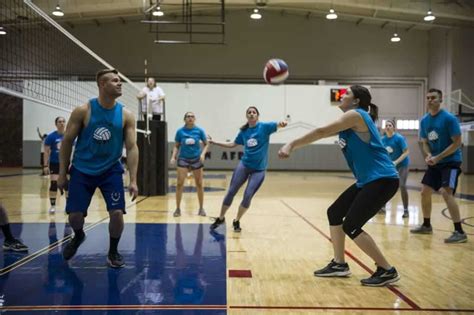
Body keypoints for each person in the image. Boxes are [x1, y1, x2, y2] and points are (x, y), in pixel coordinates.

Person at [279, 85, 400, 287]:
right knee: (335, 212)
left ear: (356, 101)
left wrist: (291, 144)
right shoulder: (350, 120)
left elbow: (321, 131)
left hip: (382, 179)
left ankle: (387, 270)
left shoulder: (356, 115)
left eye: (348, 94)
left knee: (351, 225)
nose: (342, 96)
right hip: (368, 180)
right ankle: (339, 264)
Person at [58, 68, 139, 268]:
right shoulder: (83, 111)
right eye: (114, 81)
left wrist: (134, 180)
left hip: (111, 170)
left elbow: (131, 147)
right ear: (102, 85)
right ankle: (78, 236)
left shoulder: (126, 115)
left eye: (120, 81)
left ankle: (113, 251)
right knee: (75, 216)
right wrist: (61, 173)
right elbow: (67, 141)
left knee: (118, 213)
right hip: (82, 170)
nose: (120, 84)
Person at [209, 106, 287, 232]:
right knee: (231, 191)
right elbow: (233, 144)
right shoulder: (244, 132)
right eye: (249, 112)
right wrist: (214, 142)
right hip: (244, 166)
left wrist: (282, 124)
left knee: (247, 196)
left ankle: (237, 220)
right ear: (247, 116)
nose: (251, 114)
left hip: (259, 170)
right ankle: (221, 217)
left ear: (257, 115)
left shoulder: (264, 127)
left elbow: (278, 125)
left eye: (254, 112)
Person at [410, 88, 467, 243]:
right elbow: (425, 142)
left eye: (433, 98)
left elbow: (457, 143)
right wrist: (428, 155)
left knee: (446, 192)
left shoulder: (449, 119)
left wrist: (439, 157)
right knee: (424, 192)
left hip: (451, 162)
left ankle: (459, 231)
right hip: (435, 162)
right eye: (428, 98)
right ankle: (427, 225)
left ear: (440, 100)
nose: (430, 100)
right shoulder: (424, 120)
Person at [170, 112, 209, 217]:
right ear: (185, 119)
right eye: (188, 116)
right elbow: (176, 146)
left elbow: (206, 144)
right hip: (183, 159)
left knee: (199, 184)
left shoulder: (199, 131)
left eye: (192, 116)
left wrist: (203, 154)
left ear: (195, 119)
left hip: (196, 159)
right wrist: (173, 156)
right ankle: (177, 209)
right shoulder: (180, 131)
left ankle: (201, 208)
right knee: (179, 184)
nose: (190, 118)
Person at [381, 119, 410, 218]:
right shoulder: (382, 140)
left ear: (394, 128)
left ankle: (406, 210)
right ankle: (383, 207)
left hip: (402, 165)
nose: (388, 127)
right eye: (386, 125)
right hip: (390, 166)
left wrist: (396, 162)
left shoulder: (399, 138)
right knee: (385, 186)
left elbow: (406, 152)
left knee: (402, 186)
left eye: (390, 125)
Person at [44, 117, 67, 213]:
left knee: (68, 185)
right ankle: (52, 206)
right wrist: (45, 165)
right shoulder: (51, 137)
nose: (61, 123)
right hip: (54, 163)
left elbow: (74, 150)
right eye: (59, 122)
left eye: (63, 121)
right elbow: (46, 152)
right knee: (53, 184)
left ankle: (68, 206)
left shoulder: (69, 135)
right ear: (56, 124)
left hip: (66, 163)